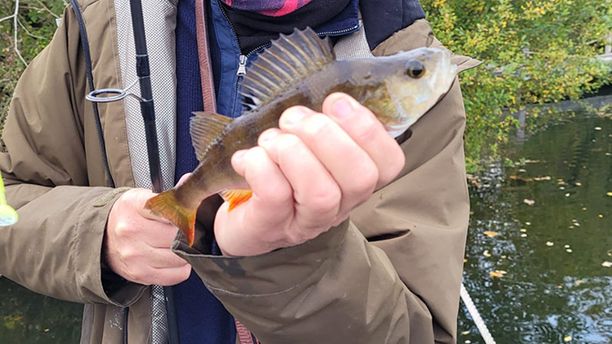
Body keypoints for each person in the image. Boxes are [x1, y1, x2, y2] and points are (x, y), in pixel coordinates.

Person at [0, 0, 478, 343]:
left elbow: (417, 335)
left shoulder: (421, 83)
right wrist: (93, 232)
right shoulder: (95, 24)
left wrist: (289, 256)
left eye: (413, 74)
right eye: (415, 74)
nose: (422, 75)